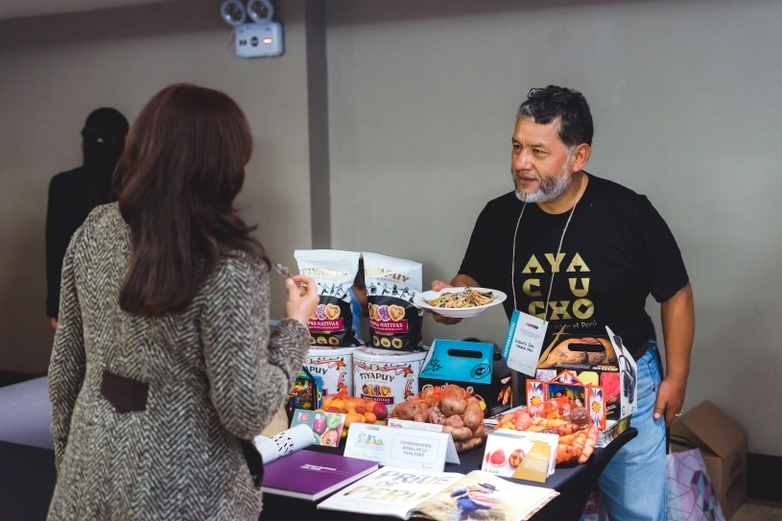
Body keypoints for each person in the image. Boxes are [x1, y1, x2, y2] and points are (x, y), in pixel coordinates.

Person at [46, 84, 319, 520]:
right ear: (223, 164)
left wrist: (70, 463)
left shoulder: (94, 230)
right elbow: (246, 411)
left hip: (87, 474)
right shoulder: (227, 261)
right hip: (187, 492)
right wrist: (295, 328)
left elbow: (65, 374)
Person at [431, 85, 694, 521]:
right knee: (533, 505)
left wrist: (679, 376)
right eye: (516, 147)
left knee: (638, 511)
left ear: (579, 156)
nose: (520, 163)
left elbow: (677, 293)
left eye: (538, 151)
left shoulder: (628, 213)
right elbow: (471, 279)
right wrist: (451, 299)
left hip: (625, 389)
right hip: (534, 384)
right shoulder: (499, 216)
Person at [46, 107, 130, 328]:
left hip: (78, 292)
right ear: (126, 141)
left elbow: (56, 250)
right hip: (128, 292)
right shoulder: (139, 186)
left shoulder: (63, 185)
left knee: (78, 360)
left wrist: (56, 305)